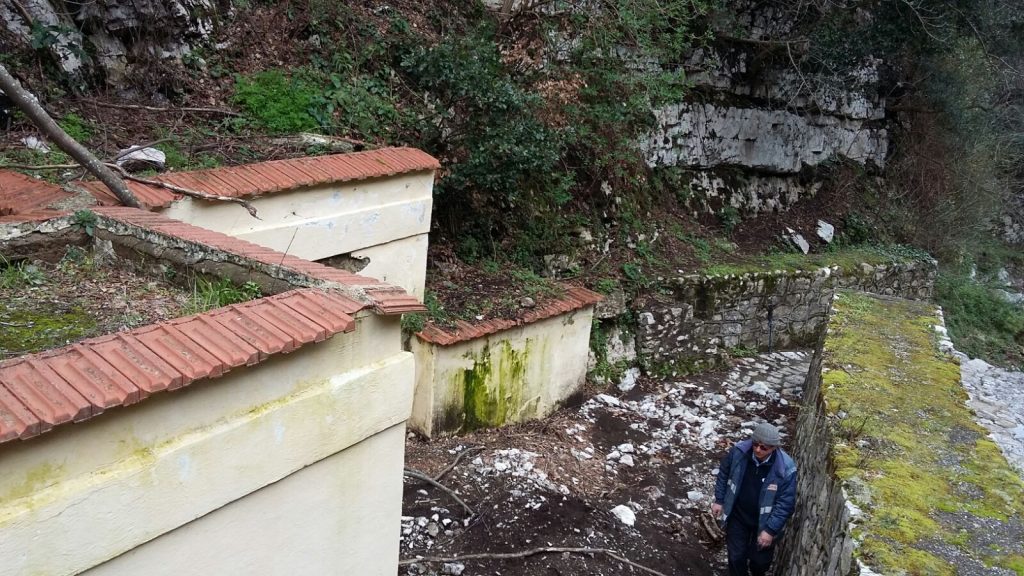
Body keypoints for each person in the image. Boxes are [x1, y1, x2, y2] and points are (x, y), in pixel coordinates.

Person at [711, 422, 797, 576]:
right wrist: (719, 500)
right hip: (738, 515)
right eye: (755, 444)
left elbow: (786, 503)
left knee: (759, 563)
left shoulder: (786, 468)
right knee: (736, 556)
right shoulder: (739, 452)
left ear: (774, 448)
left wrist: (770, 530)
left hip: (765, 521)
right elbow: (724, 473)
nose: (757, 449)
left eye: (764, 448)